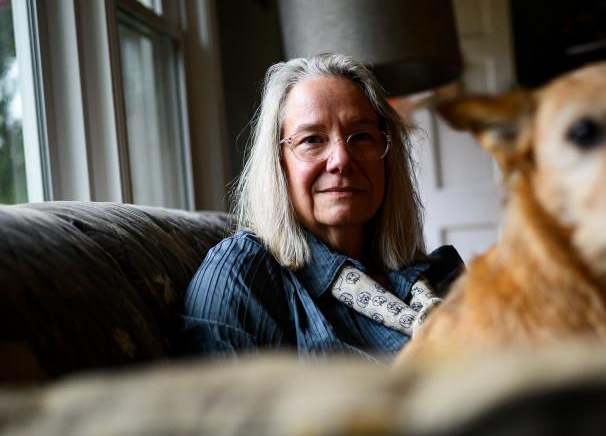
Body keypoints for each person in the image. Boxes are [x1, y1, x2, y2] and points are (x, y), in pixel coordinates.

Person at [182, 52, 463, 360]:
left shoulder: (436, 278)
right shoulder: (242, 274)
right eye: (312, 140)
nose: (341, 160)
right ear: (278, 164)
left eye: (362, 136)